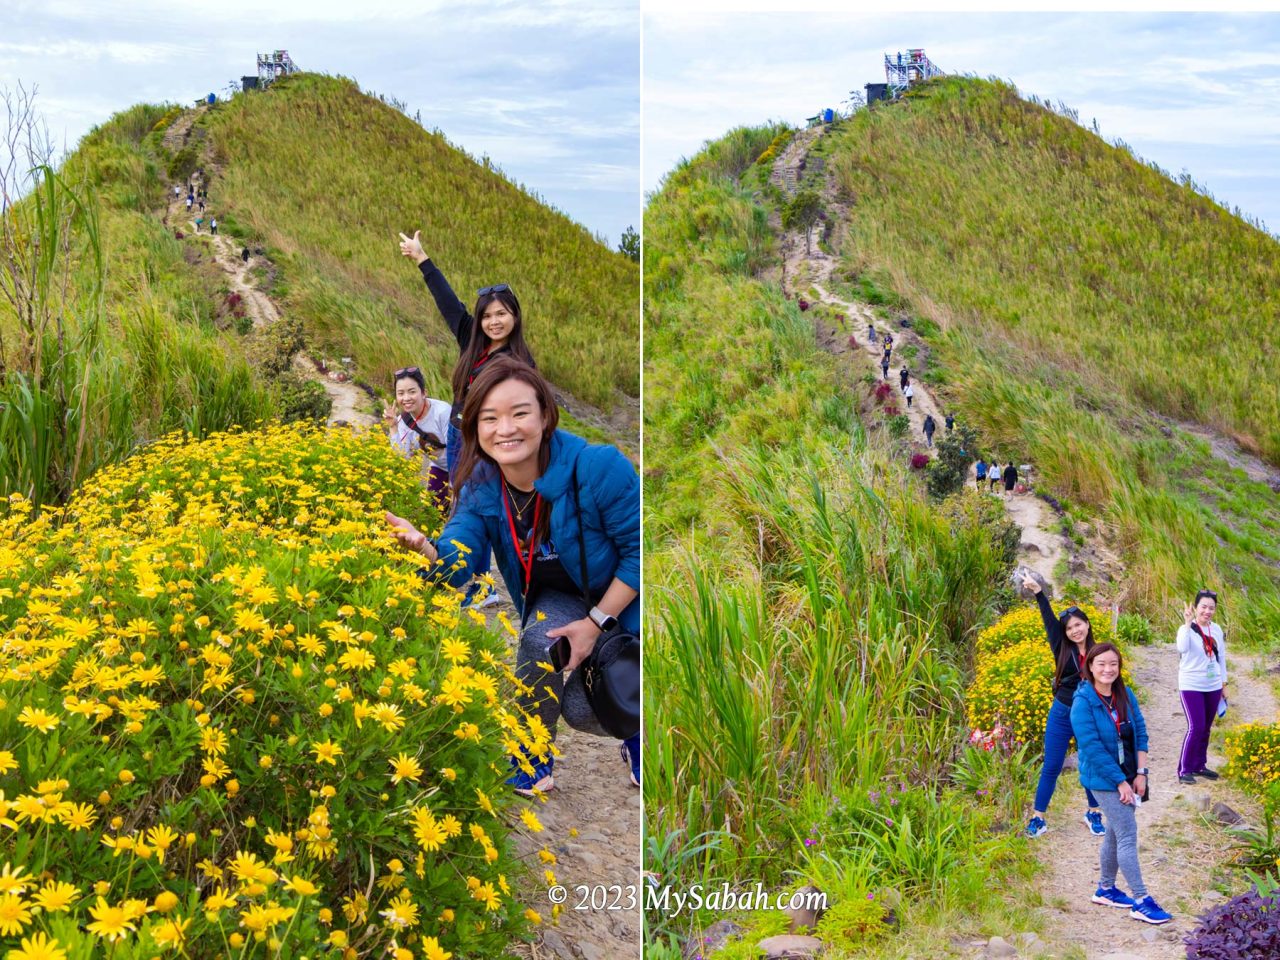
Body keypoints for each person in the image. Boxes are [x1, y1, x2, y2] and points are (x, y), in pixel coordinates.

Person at [385, 358, 640, 793]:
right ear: (475, 430)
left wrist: (596, 624)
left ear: (545, 415)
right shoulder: (482, 484)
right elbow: (459, 554)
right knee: (539, 643)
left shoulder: (598, 468)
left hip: (619, 598)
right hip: (559, 596)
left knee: (591, 706)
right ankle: (531, 758)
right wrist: (427, 549)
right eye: (490, 418)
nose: (506, 429)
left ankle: (636, 726)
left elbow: (639, 555)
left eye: (519, 413)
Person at [398, 228, 536, 607]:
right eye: (488, 315)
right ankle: (477, 583)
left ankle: (482, 583)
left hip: (494, 443)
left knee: (483, 506)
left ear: (515, 317)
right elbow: (447, 303)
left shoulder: (520, 361)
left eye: (502, 314)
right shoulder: (470, 342)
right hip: (461, 438)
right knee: (469, 504)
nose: (494, 322)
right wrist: (422, 259)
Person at [1072, 643, 1171, 924]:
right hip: (1102, 779)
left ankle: (1105, 888)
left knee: (1115, 831)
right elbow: (1091, 747)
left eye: (1113, 663)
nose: (1108, 669)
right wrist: (1119, 783)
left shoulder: (1125, 695)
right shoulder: (1082, 702)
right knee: (1127, 832)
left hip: (1129, 772)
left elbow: (1140, 731)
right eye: (1101, 664)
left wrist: (1141, 773)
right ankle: (1140, 900)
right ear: (1090, 666)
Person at [1022, 574, 1105, 839]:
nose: (1075, 631)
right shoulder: (1061, 648)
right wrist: (1039, 593)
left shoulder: (1099, 653)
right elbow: (1048, 621)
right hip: (1061, 711)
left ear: (1087, 624)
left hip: (1089, 714)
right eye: (1069, 628)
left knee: (1090, 762)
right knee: (1052, 765)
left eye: (1078, 625)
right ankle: (1038, 818)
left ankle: (1093, 813)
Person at [1176, 590, 1226, 784]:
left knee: (1206, 728)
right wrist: (1188, 623)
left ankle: (1199, 765)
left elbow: (1221, 658)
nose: (1207, 611)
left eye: (1211, 608)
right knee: (1195, 727)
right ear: (1195, 608)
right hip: (1191, 685)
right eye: (1203, 607)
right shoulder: (1185, 629)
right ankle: (1184, 769)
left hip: (1213, 685)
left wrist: (1224, 684)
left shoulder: (1217, 629)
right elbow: (1182, 648)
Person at [383, 366, 452, 507]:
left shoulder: (442, 412)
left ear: (423, 393)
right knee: (434, 509)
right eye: (400, 393)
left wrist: (455, 485)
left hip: (464, 466)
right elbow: (403, 457)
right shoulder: (404, 422)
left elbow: (458, 452)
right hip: (440, 467)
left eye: (412, 392)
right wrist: (393, 426)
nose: (406, 398)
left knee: (462, 510)